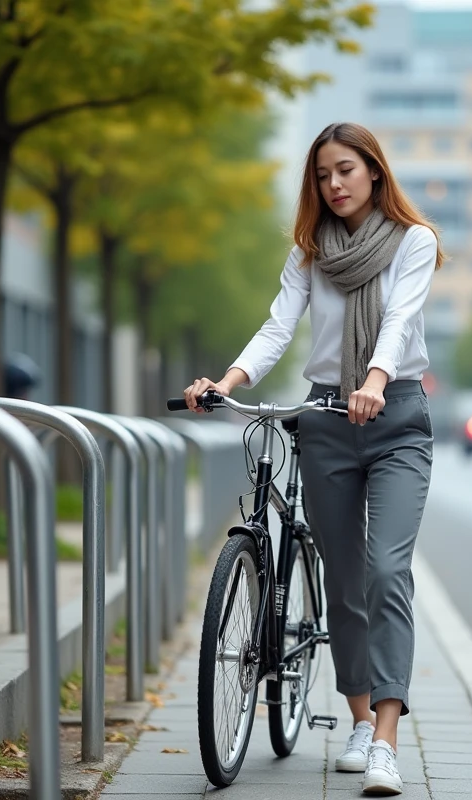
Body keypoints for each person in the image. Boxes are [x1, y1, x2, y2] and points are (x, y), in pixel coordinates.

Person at [182, 121, 442, 796]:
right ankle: (359, 718)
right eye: (323, 175)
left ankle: (385, 740)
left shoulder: (413, 242)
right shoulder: (309, 254)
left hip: (395, 419)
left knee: (387, 570)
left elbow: (400, 321)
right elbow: (277, 327)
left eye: (346, 171)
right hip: (327, 418)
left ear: (375, 173)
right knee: (345, 579)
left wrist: (377, 382)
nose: (334, 185)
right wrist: (227, 383)